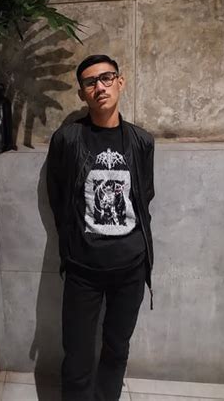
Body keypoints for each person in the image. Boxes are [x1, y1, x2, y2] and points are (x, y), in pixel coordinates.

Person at [46, 54, 156, 401]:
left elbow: (145, 195)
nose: (100, 87)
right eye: (90, 82)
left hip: (131, 268)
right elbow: (58, 197)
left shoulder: (142, 141)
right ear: (82, 93)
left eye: (106, 78)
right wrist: (74, 245)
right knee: (77, 355)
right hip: (83, 269)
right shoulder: (67, 139)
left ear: (120, 82)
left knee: (117, 348)